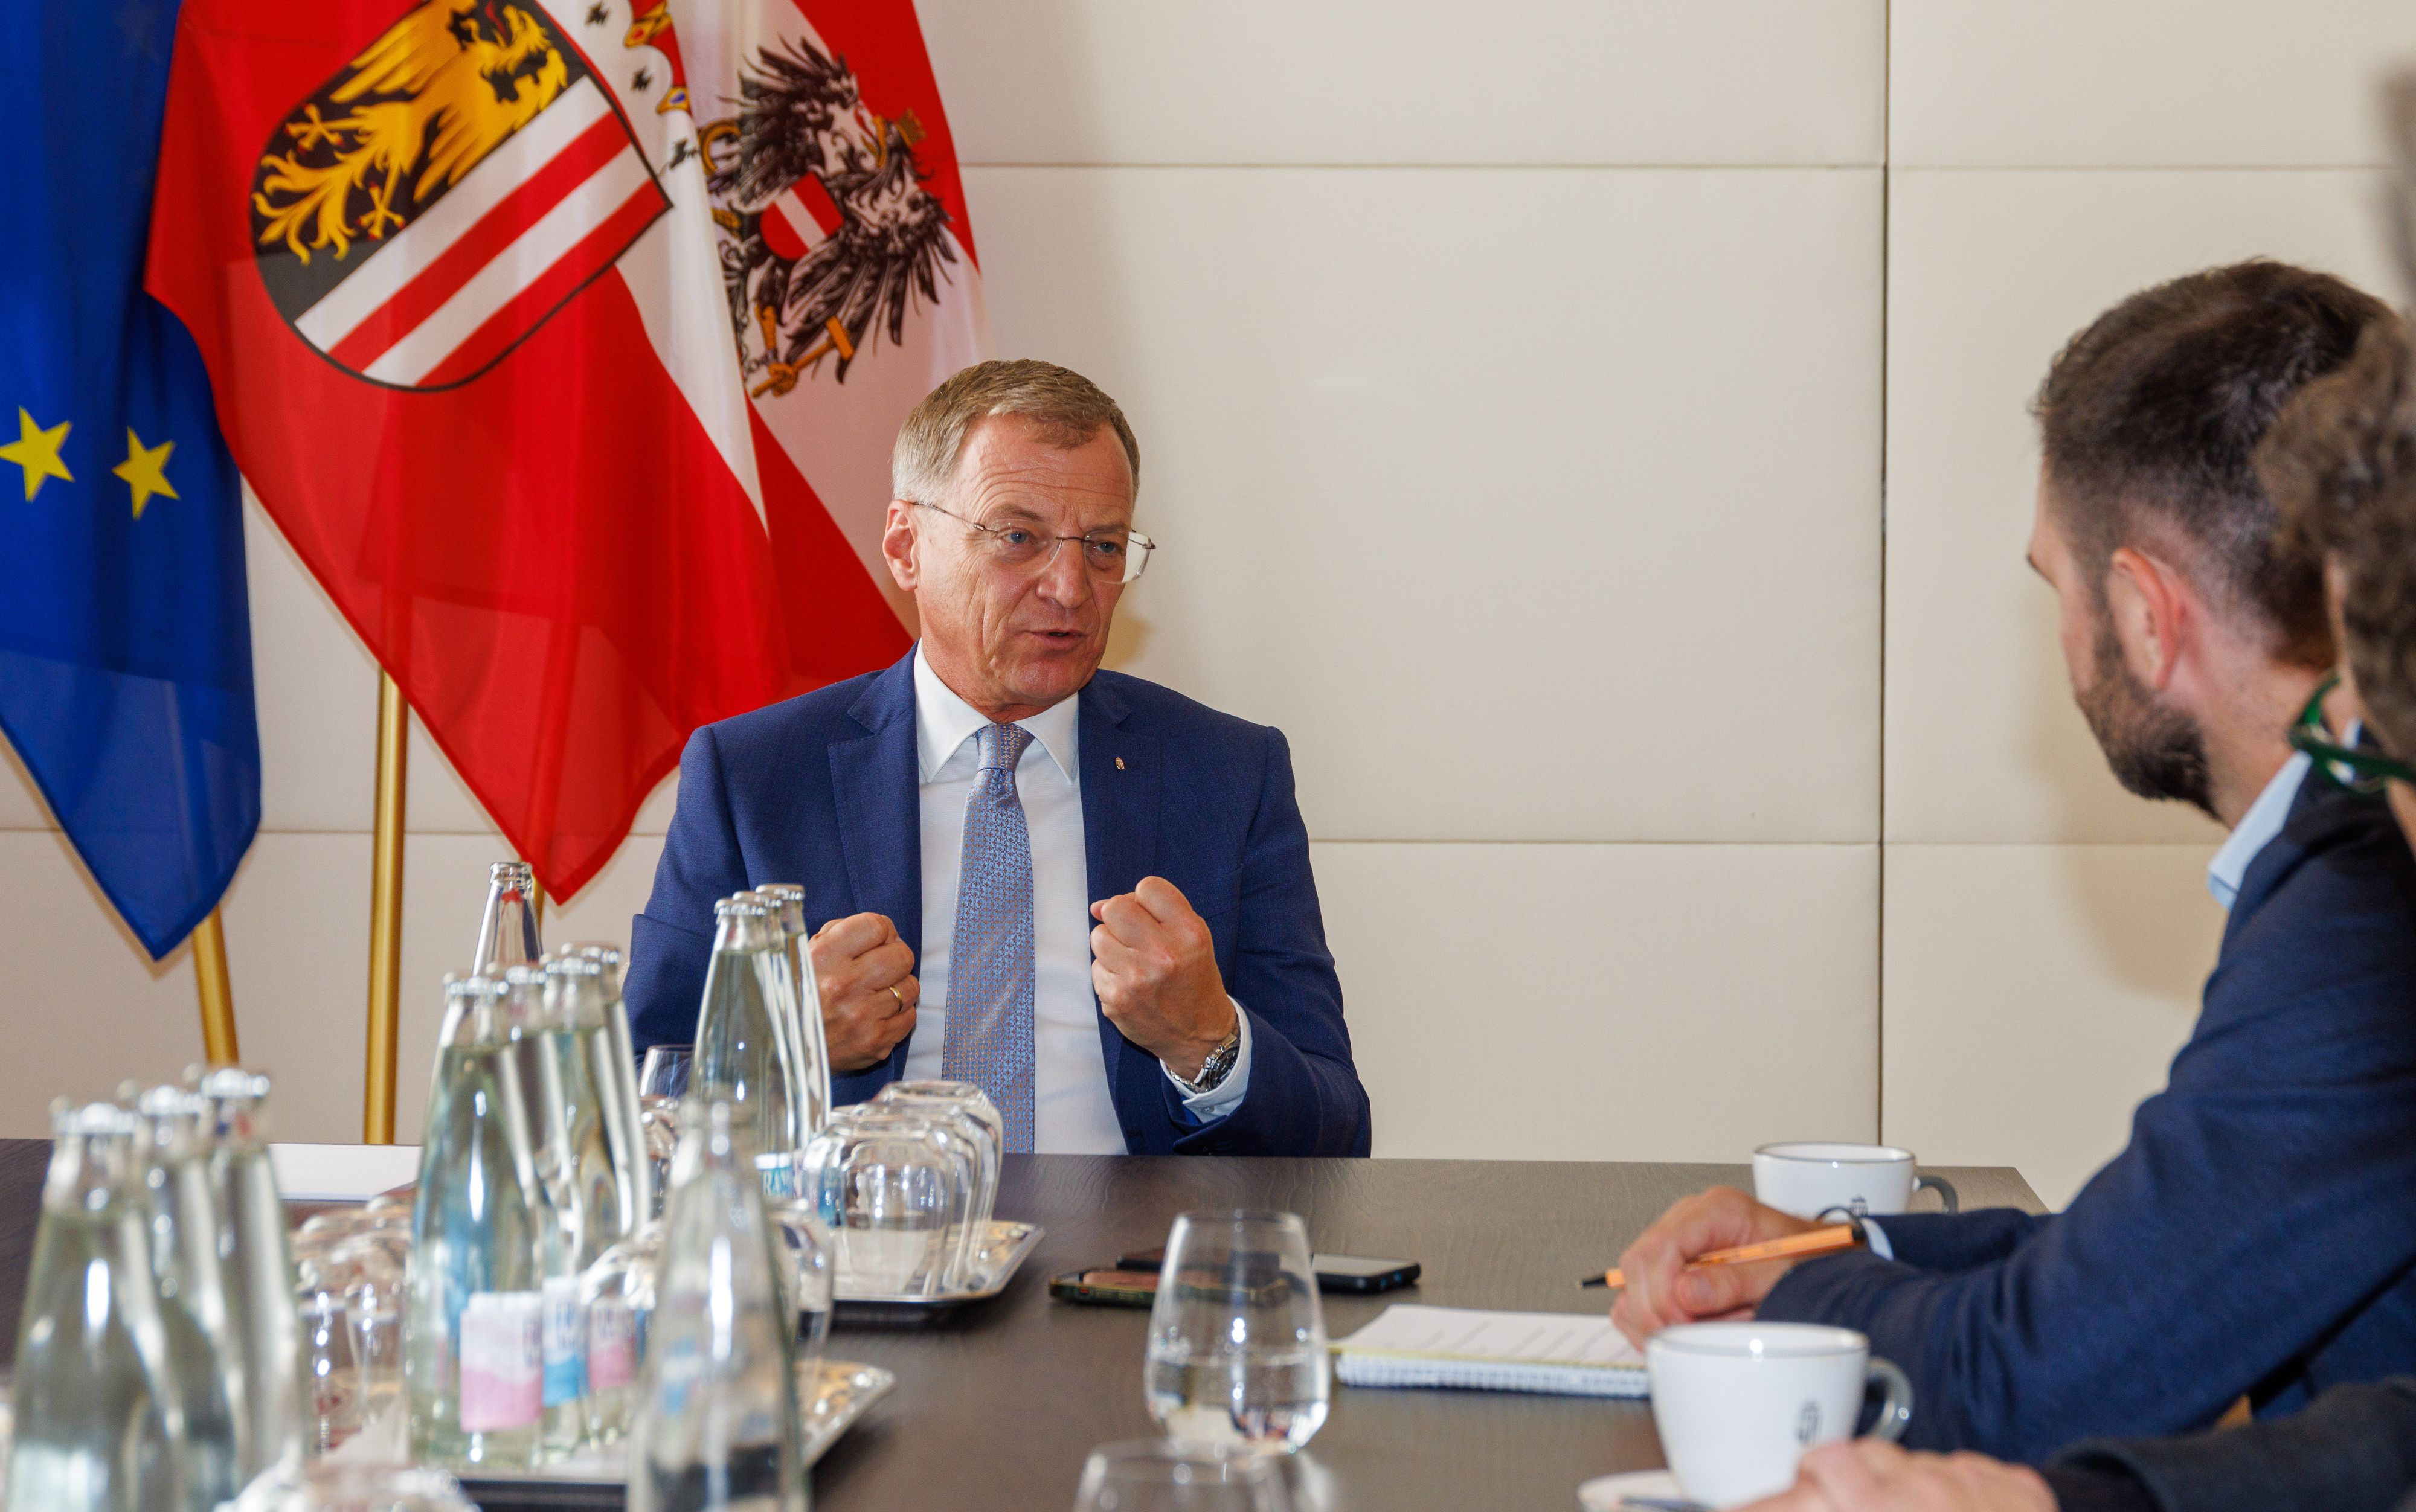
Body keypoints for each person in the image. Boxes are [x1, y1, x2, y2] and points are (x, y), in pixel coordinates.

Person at [1609, 261, 2416, 1461]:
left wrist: (1781, 1301)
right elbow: (2154, 1251)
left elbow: (2030, 1381)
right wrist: (1832, 1249)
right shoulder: (2336, 852)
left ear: (2144, 615)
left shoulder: (2356, 900)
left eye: (2056, 585)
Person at [623, 359, 1370, 1158]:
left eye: (1105, 546)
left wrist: (1208, 1042)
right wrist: (778, 1051)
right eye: (1020, 538)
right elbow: (633, 1108)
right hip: (859, 1259)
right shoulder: (753, 777)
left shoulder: (1227, 774)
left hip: (1129, 1265)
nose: (1071, 587)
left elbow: (1337, 1130)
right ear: (907, 546)